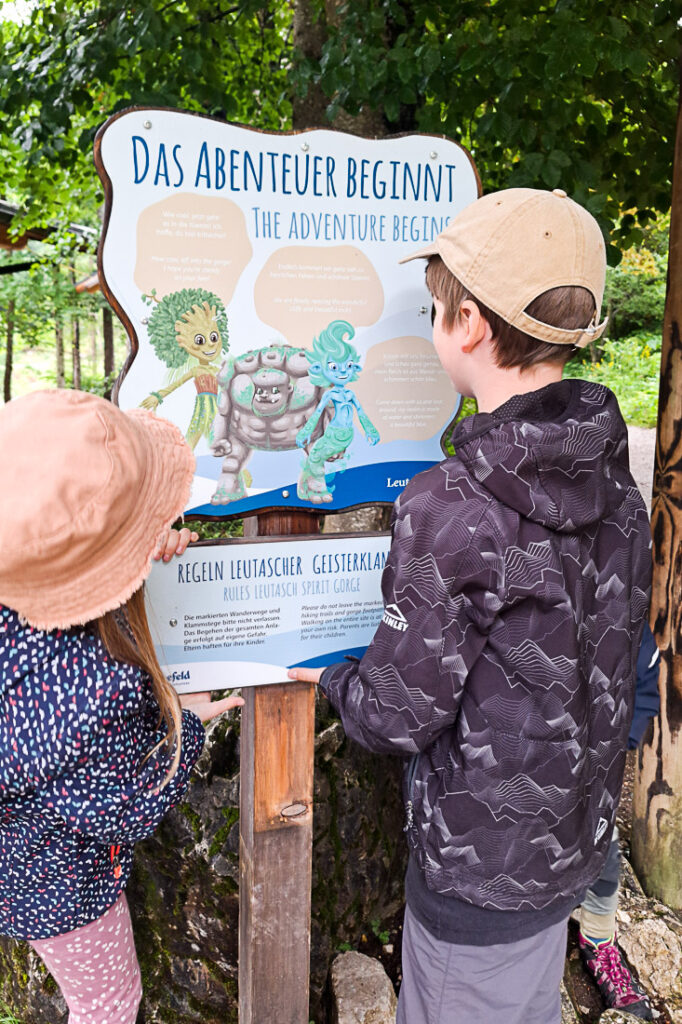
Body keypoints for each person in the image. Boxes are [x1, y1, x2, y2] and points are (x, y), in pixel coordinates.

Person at [289, 187, 652, 1024]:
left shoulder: (451, 506)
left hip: (477, 875)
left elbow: (396, 715)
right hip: (567, 845)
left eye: (434, 305)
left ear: (469, 327)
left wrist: (329, 680)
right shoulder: (613, 483)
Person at [0, 388, 243, 1024]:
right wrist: (185, 725)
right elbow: (124, 807)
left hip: (20, 853)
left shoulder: (15, 568)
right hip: (53, 885)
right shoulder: (90, 690)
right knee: (107, 1002)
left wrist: (134, 560)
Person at [577, 621, 660, 1020]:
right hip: (531, 765)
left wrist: (619, 740)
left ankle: (597, 938)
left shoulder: (624, 600)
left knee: (604, 854)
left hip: (597, 765)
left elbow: (645, 668)